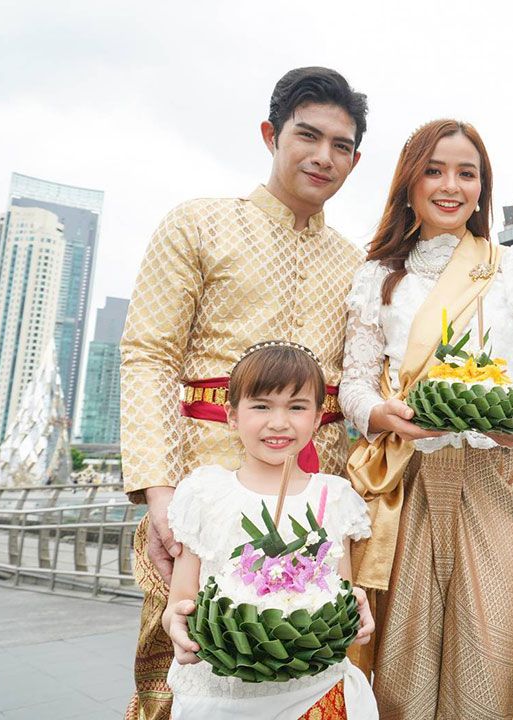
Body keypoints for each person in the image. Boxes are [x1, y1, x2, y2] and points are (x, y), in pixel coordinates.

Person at [119, 67, 368, 720]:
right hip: (203, 493)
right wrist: (159, 490)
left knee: (309, 668)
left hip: (314, 503)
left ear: (356, 158)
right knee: (186, 660)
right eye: (307, 136)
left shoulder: (359, 264)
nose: (323, 156)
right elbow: (148, 354)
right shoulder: (197, 225)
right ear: (270, 135)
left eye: (341, 145)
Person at [340, 119, 513, 719]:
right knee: (404, 666)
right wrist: (379, 414)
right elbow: (353, 383)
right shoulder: (378, 276)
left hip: (495, 474)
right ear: (409, 184)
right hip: (406, 480)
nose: (450, 185)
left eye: (467, 173)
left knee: (489, 663)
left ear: (483, 188)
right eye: (434, 170)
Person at [162, 342, 378, 719]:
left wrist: (355, 611)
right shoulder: (204, 493)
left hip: (314, 692)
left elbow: (341, 592)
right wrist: (179, 629)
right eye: (261, 406)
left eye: (297, 407)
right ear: (231, 416)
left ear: (317, 418)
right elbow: (179, 603)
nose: (279, 423)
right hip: (219, 696)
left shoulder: (334, 496)